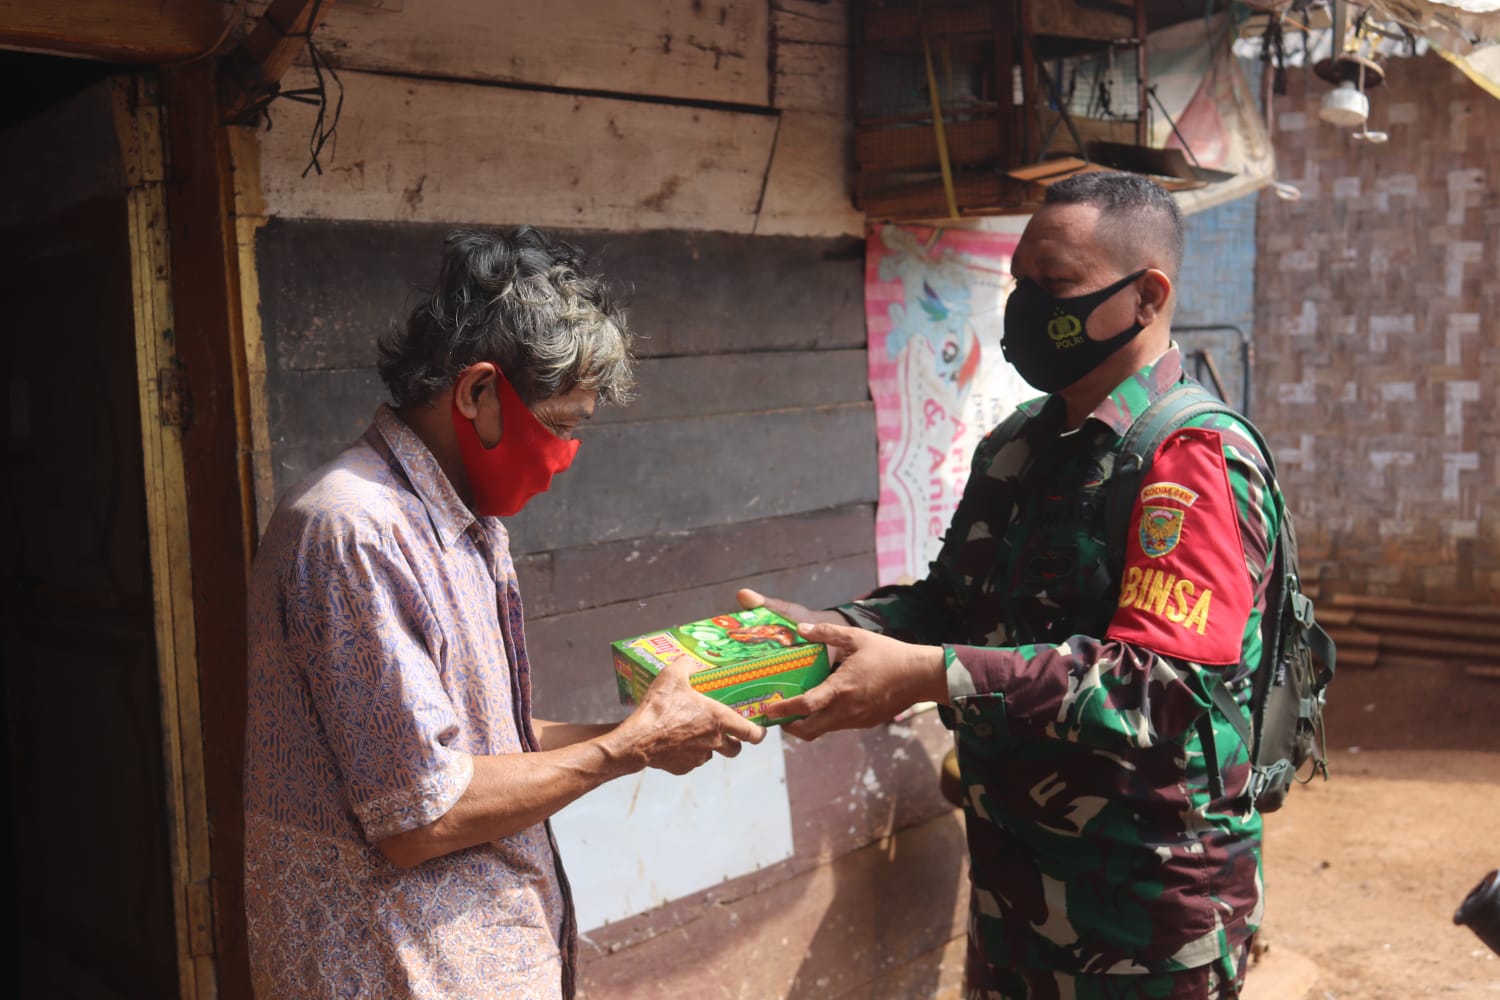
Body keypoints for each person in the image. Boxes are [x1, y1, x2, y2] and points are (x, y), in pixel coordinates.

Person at [744, 172, 1277, 999]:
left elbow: (1165, 688)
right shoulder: (1020, 445)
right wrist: (829, 630)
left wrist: (931, 676)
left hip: (1144, 923)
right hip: (1017, 900)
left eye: (1054, 285)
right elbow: (951, 603)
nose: (1027, 306)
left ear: (1147, 296)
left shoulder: (1189, 457)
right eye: (1020, 283)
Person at [244, 227, 763, 999]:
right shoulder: (353, 531)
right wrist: (627, 748)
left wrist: (647, 737)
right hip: (398, 969)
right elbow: (422, 816)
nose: (565, 455)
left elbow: (478, 752)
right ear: (478, 392)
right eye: (560, 424)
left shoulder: (465, 523)